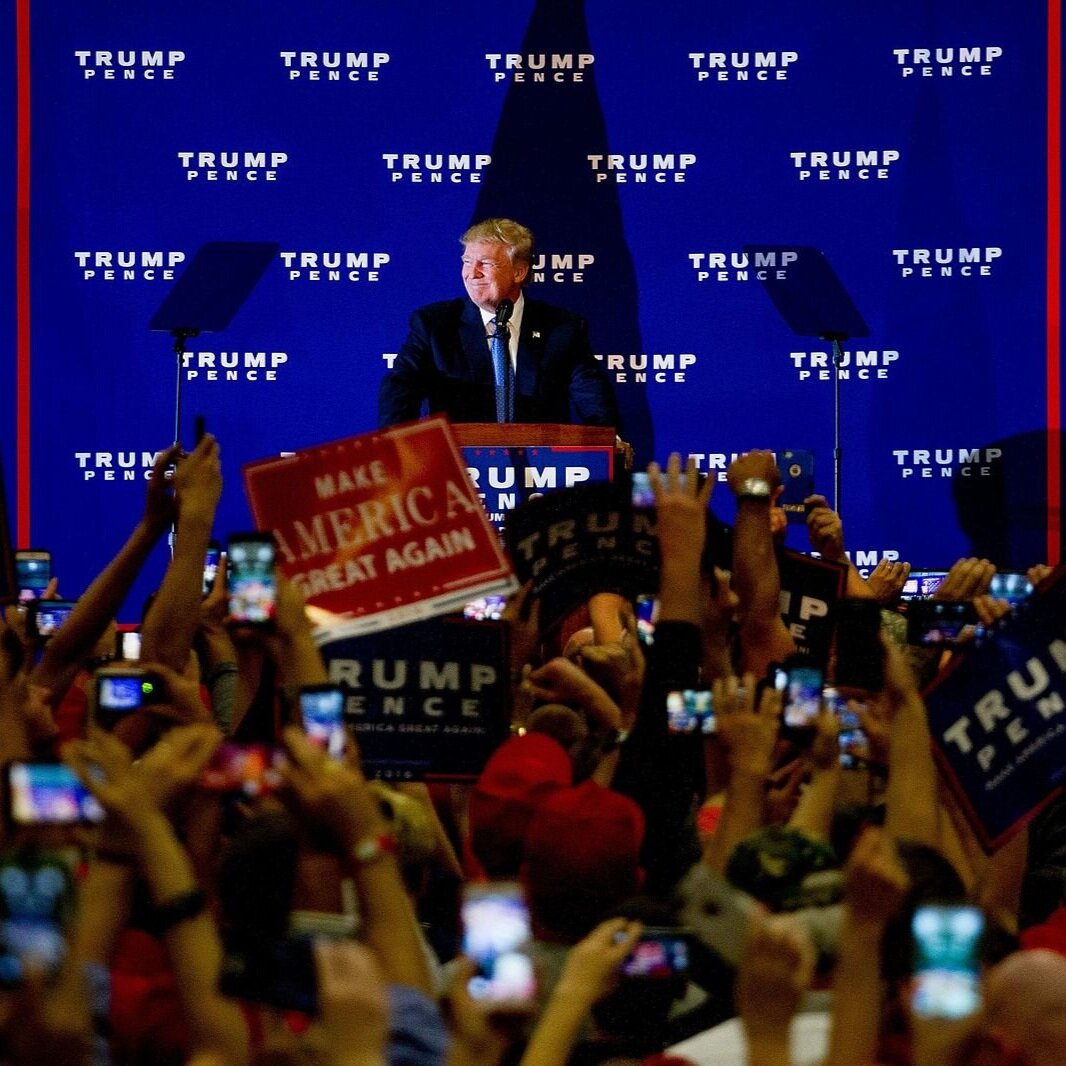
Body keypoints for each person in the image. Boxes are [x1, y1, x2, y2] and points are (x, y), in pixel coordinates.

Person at [378, 217, 620, 429]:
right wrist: (397, 446)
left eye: (485, 263)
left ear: (519, 272)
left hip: (541, 471)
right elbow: (401, 387)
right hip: (461, 470)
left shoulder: (562, 328)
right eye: (466, 261)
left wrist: (608, 439)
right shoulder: (434, 325)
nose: (472, 273)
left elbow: (591, 394)